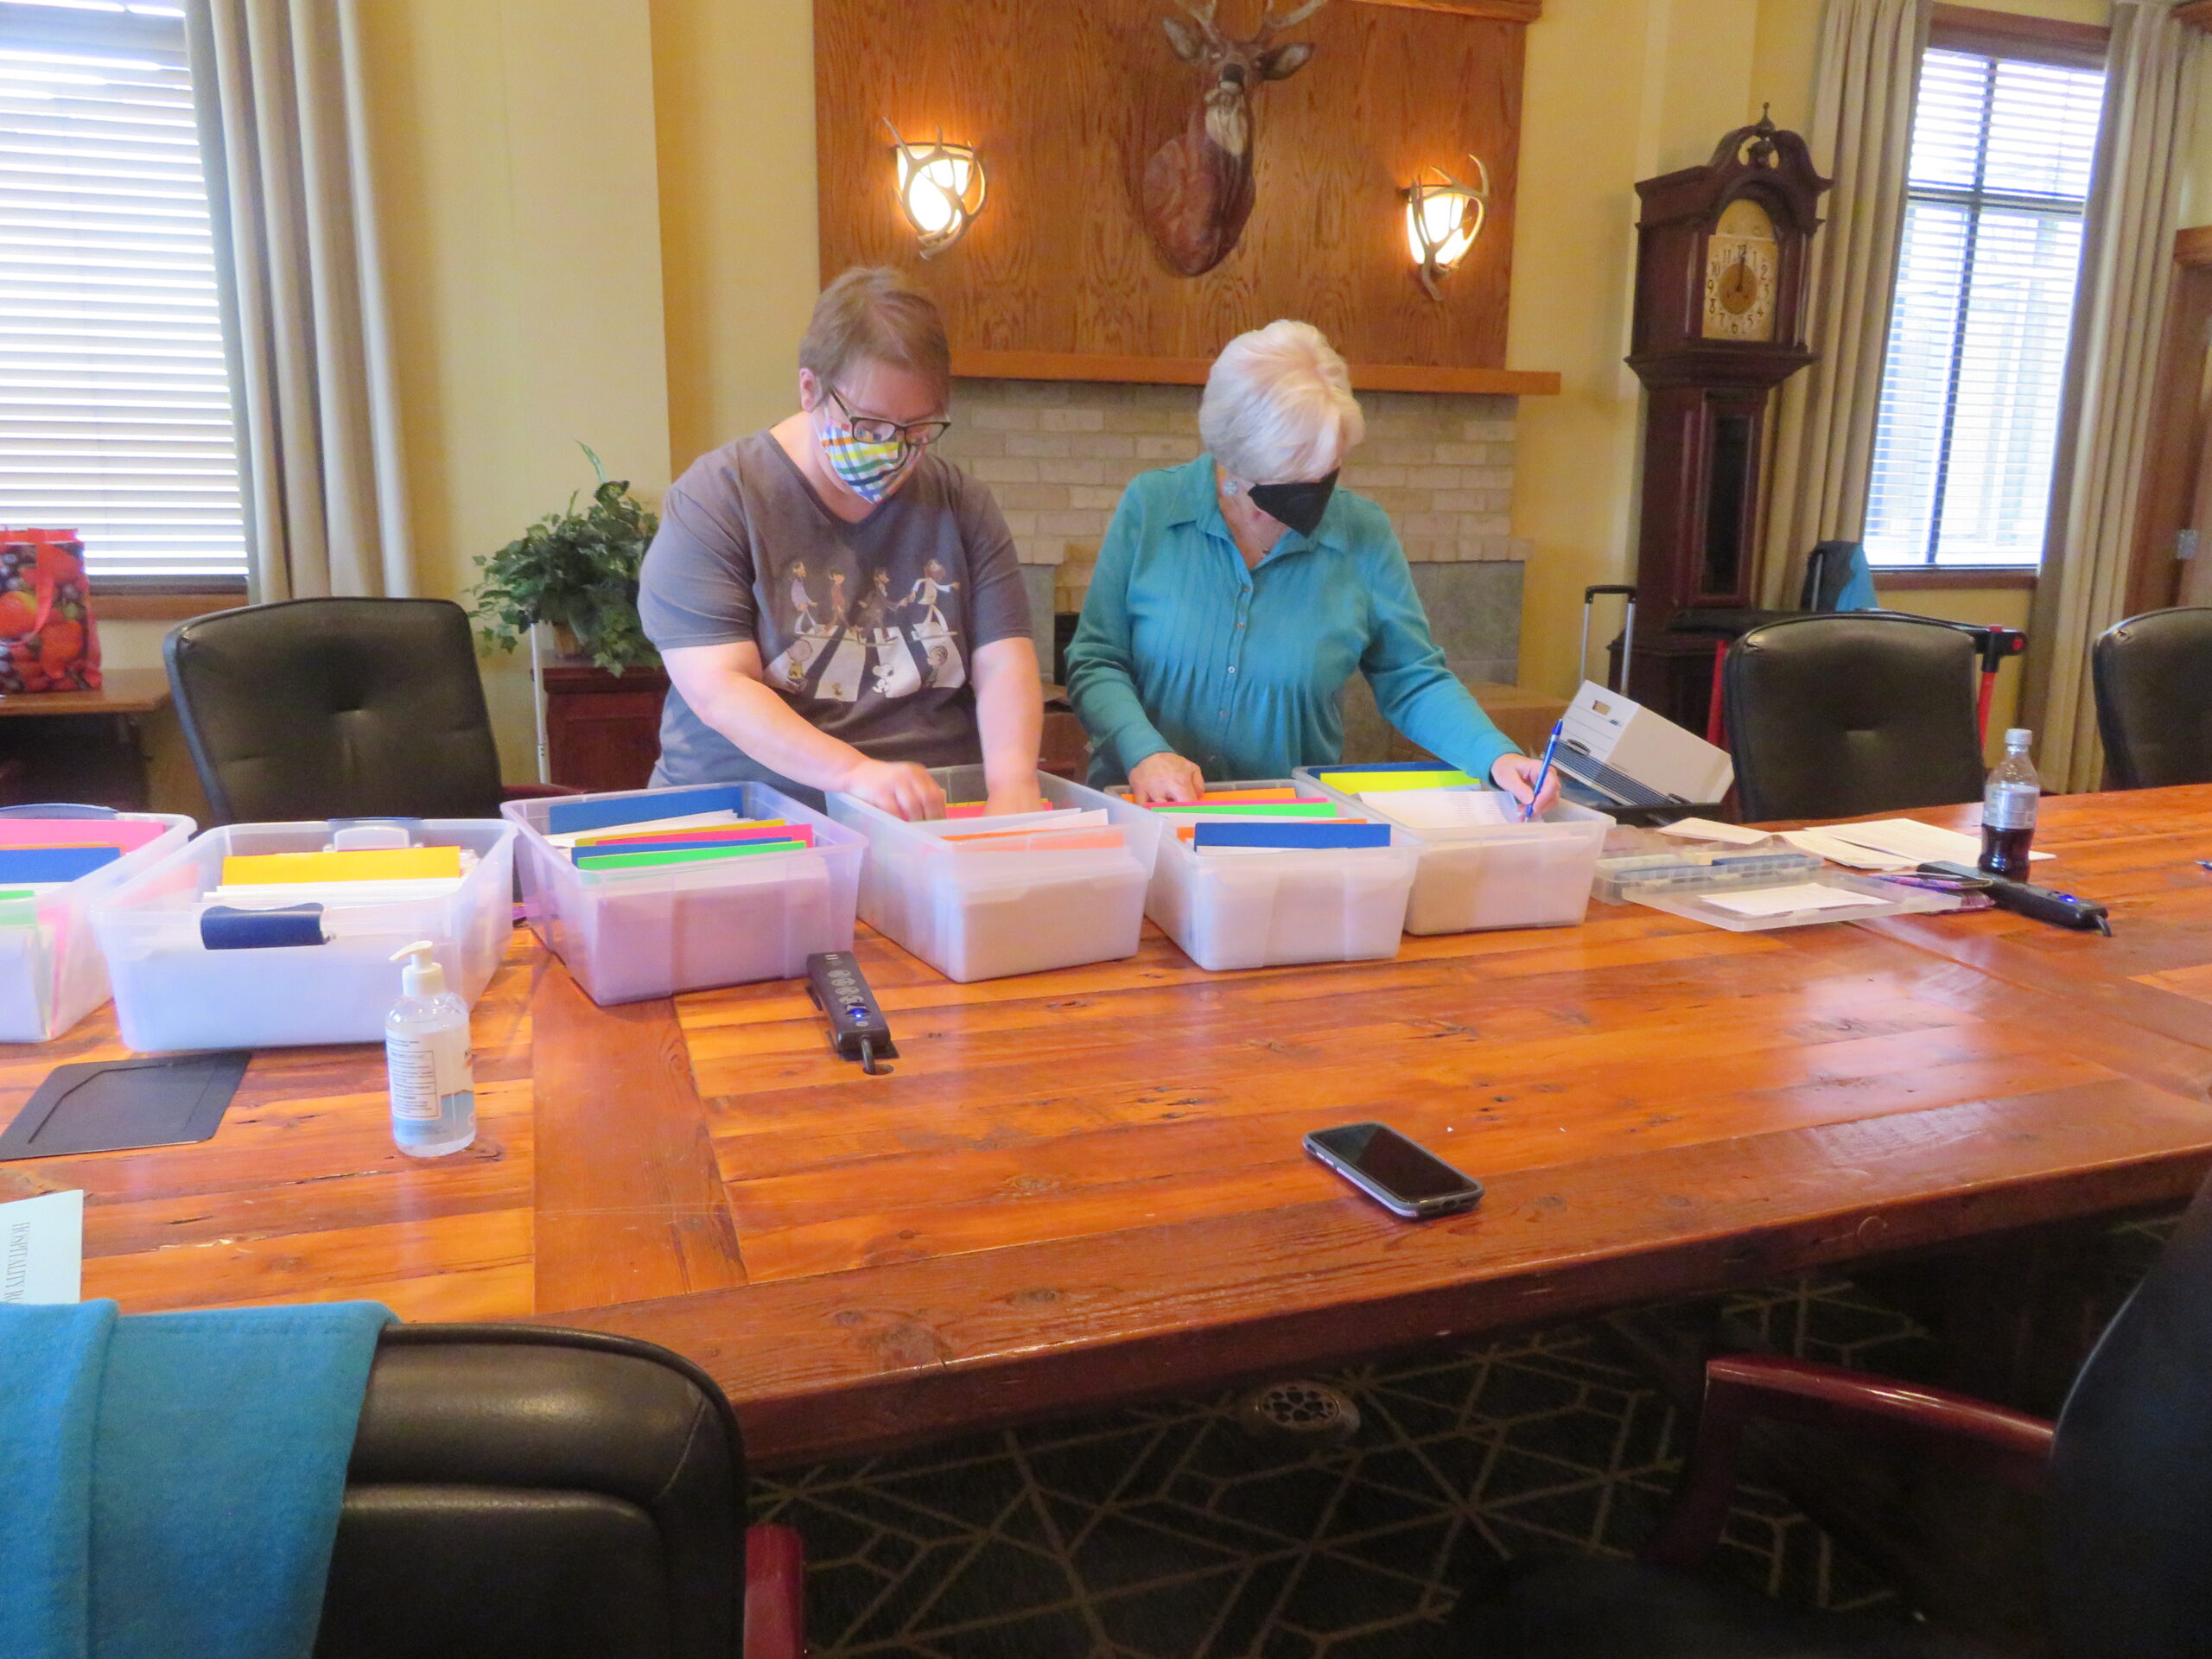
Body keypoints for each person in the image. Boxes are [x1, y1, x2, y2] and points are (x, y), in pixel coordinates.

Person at [1064, 320, 1560, 813]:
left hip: (1287, 824)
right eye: (1292, 479)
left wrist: (1496, 757)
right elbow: (1096, 660)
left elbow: (1412, 677)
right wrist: (1144, 752)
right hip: (1140, 813)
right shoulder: (1154, 506)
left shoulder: (1362, 532)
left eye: (1326, 473)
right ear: (1234, 457)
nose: (1313, 496)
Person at [639, 266, 1046, 819]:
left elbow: (1003, 662)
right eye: (869, 426)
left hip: (927, 816)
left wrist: (1013, 784)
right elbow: (720, 688)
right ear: (810, 389)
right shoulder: (718, 497)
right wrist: (854, 774)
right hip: (749, 814)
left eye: (917, 430)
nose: (893, 450)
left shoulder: (962, 503)